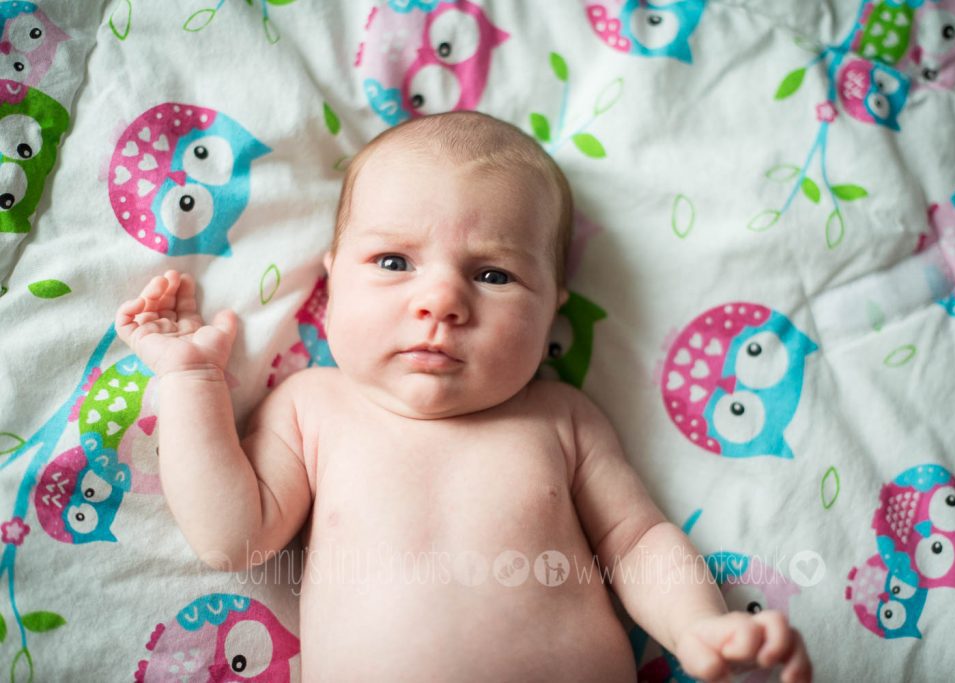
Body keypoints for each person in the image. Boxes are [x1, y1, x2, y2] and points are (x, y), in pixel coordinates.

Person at [116, 111, 812, 682]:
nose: (441, 300)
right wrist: (191, 381)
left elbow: (637, 543)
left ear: (552, 310)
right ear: (332, 281)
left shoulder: (561, 419)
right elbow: (231, 537)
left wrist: (698, 626)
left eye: (493, 274)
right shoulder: (312, 408)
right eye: (394, 262)